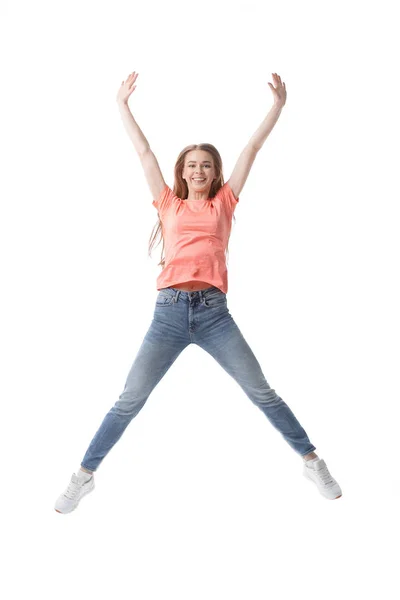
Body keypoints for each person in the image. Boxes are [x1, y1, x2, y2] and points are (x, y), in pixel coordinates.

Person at [55, 71, 342, 514]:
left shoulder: (223, 202)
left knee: (261, 391)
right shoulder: (167, 202)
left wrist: (277, 108)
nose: (199, 170)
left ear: (215, 172)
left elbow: (251, 149)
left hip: (214, 314)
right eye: (192, 164)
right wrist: (122, 106)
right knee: (129, 399)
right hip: (168, 314)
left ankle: (312, 461)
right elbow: (144, 152)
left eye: (206, 164)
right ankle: (83, 476)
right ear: (183, 172)